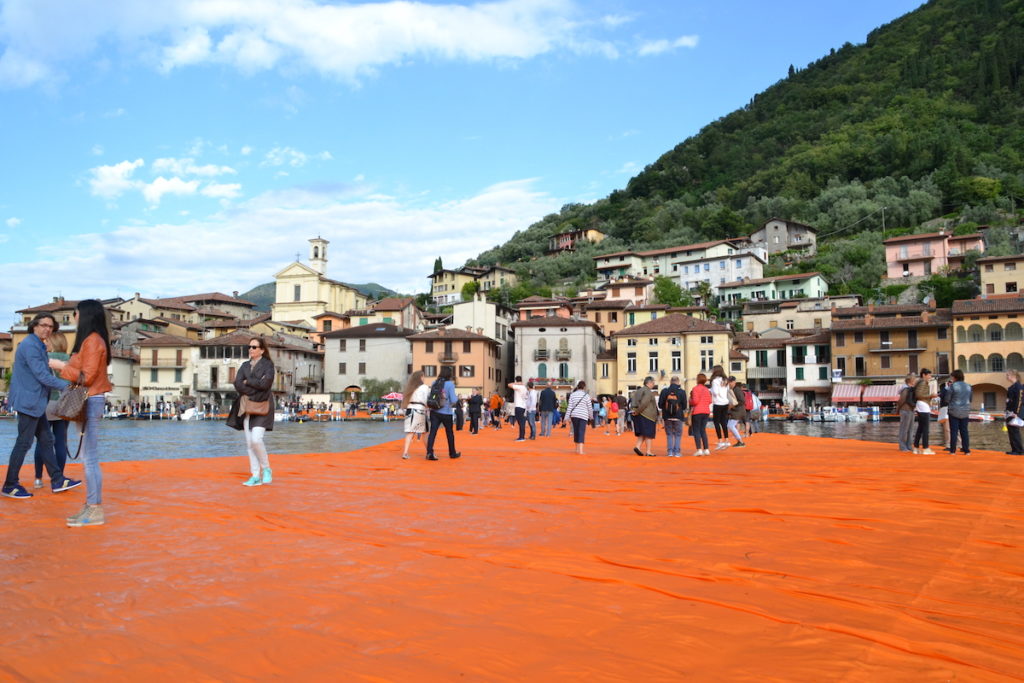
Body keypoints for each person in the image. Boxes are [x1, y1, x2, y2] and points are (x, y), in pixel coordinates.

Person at [3, 314, 81, 500]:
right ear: (34, 326)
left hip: (35, 402)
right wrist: (68, 387)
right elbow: (42, 375)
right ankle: (10, 484)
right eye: (43, 325)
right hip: (29, 402)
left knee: (47, 440)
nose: (47, 329)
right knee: (24, 443)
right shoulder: (31, 346)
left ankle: (57, 480)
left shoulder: (36, 344)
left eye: (51, 327)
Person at [50, 300, 112, 526]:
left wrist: (59, 366)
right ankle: (90, 506)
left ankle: (95, 509)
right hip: (90, 400)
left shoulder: (93, 341)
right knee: (88, 457)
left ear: (83, 315)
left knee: (90, 458)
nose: (73, 316)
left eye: (75, 312)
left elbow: (87, 377)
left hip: (91, 400)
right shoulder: (90, 340)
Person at [225, 336, 276, 486]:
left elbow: (266, 384)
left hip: (262, 406)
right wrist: (254, 386)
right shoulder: (245, 365)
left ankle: (266, 469)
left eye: (254, 347)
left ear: (262, 350)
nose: (250, 349)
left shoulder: (268, 365)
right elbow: (238, 384)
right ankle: (255, 476)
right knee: (249, 444)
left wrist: (249, 383)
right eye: (249, 347)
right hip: (247, 406)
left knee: (256, 440)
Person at [33, 330, 72, 489]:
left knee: (41, 442)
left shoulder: (44, 359)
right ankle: (59, 477)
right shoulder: (70, 360)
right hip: (64, 404)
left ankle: (38, 478)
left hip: (45, 403)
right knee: (61, 442)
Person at [425, 366, 460, 460]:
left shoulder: (434, 382)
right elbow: (453, 399)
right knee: (449, 433)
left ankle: (429, 452)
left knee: (433, 432)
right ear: (449, 374)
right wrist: (457, 398)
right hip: (446, 412)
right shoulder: (450, 384)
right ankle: (452, 453)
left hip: (434, 411)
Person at [400, 371, 430, 459]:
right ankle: (429, 451)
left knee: (410, 432)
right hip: (419, 409)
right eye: (424, 376)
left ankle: (405, 452)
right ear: (421, 377)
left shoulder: (410, 388)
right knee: (424, 432)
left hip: (410, 409)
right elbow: (426, 400)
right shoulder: (424, 387)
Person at [658, 376, 687, 457]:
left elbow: (660, 405)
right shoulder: (682, 392)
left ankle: (670, 452)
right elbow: (684, 406)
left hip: (667, 416)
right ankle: (677, 452)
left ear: (670, 382)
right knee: (678, 434)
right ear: (678, 382)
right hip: (678, 416)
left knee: (669, 434)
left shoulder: (665, 391)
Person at [631, 377, 659, 457]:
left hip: (640, 414)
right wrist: (637, 411)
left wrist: (635, 411)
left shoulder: (638, 391)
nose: (653, 384)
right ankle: (648, 451)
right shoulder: (648, 392)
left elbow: (634, 402)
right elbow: (644, 403)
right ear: (648, 383)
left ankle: (638, 446)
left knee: (643, 433)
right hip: (647, 415)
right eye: (653, 383)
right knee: (648, 434)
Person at [946, 369, 972, 456]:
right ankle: (966, 450)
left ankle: (953, 450)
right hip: (965, 411)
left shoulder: (952, 386)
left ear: (955, 377)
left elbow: (947, 399)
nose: (951, 378)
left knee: (954, 431)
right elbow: (970, 399)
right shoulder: (969, 386)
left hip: (954, 410)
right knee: (964, 431)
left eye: (952, 377)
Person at [911, 368, 937, 455]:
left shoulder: (919, 382)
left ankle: (916, 447)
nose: (930, 377)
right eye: (929, 375)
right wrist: (931, 396)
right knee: (925, 428)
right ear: (923, 375)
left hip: (920, 405)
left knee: (921, 427)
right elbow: (919, 395)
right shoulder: (923, 382)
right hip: (923, 405)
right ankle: (925, 448)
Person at [566, 381, 593, 455]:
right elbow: (589, 408)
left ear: (577, 386)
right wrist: (591, 417)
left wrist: (566, 417)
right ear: (584, 387)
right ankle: (580, 450)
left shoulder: (573, 395)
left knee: (576, 431)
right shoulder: (586, 396)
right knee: (581, 431)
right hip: (583, 415)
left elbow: (569, 407)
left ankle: (577, 449)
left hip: (574, 415)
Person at [689, 373, 712, 456]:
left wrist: (690, 401)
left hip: (697, 411)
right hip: (706, 411)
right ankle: (706, 449)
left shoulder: (695, 389)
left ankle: (699, 449)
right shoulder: (707, 390)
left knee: (696, 430)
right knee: (703, 430)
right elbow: (710, 401)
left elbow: (695, 401)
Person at [709, 365, 731, 451]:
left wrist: (710, 390)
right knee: (723, 422)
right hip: (725, 402)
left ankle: (720, 441)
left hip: (718, 403)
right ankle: (727, 440)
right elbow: (727, 390)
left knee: (716, 422)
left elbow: (715, 392)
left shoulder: (715, 381)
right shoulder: (725, 380)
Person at [895, 373, 917, 453]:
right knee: (905, 429)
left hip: (910, 410)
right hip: (906, 410)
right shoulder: (905, 389)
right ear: (910, 380)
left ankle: (908, 445)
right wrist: (898, 409)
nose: (915, 381)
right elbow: (901, 400)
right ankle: (903, 446)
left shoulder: (909, 389)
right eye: (914, 379)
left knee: (909, 429)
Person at [1006, 369, 1023, 456]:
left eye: (1008, 375)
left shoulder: (1018, 387)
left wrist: (1017, 412)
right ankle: (1014, 449)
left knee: (1015, 431)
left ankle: (1018, 450)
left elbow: (1019, 401)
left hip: (1014, 412)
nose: (1007, 377)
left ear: (1013, 376)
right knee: (1011, 431)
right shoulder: (1012, 387)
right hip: (1009, 411)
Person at [726, 377, 747, 448]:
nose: (729, 383)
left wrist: (732, 406)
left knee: (730, 425)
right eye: (728, 382)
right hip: (737, 411)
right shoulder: (733, 389)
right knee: (730, 425)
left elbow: (742, 401)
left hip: (738, 411)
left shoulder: (737, 390)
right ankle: (739, 441)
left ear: (734, 382)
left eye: (730, 382)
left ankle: (740, 441)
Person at [508, 376, 528, 441]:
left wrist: (517, 383)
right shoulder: (524, 388)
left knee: (520, 422)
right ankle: (522, 436)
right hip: (523, 406)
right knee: (521, 422)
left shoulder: (519, 387)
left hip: (519, 406)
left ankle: (522, 437)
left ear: (516, 381)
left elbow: (509, 385)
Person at [937, 377, 952, 446]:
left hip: (948, 409)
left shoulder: (945, 390)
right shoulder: (944, 390)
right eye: (949, 382)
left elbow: (943, 399)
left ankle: (950, 444)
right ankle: (949, 444)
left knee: (948, 428)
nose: (950, 383)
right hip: (948, 409)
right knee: (947, 428)